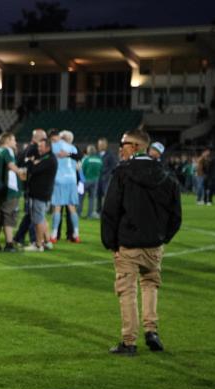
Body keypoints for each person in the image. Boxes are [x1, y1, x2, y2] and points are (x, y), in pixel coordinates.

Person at [101, 129, 182, 355]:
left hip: (128, 244)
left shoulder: (122, 173)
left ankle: (129, 341)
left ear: (135, 147)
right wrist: (162, 238)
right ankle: (151, 331)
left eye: (123, 144)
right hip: (154, 245)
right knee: (150, 285)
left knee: (127, 291)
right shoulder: (166, 176)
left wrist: (111, 243)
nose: (120, 148)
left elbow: (110, 211)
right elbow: (176, 216)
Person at [0, 132, 23, 251]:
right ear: (7, 140)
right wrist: (21, 172)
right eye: (13, 140)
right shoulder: (7, 151)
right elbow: (11, 165)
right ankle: (9, 244)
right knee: (9, 217)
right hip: (9, 189)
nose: (15, 142)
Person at [13, 129, 47, 246]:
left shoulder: (26, 149)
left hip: (27, 185)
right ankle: (34, 240)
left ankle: (18, 237)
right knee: (34, 214)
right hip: (33, 186)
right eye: (43, 138)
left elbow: (19, 164)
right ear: (37, 138)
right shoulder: (34, 150)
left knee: (30, 214)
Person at [25, 136, 57, 252]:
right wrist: (34, 163)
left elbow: (33, 170)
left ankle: (38, 244)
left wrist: (30, 162)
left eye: (41, 146)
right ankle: (47, 242)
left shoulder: (49, 159)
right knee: (41, 218)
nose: (38, 148)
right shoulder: (47, 158)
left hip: (40, 193)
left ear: (48, 147)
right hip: (43, 193)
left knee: (38, 220)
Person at [50, 130, 80, 243]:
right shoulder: (73, 148)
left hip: (59, 179)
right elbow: (78, 161)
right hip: (72, 180)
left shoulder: (54, 146)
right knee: (72, 208)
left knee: (57, 208)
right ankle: (76, 234)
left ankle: (54, 235)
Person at [96, 138, 117, 215]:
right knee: (98, 195)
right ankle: (98, 210)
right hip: (97, 178)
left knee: (106, 195)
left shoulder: (110, 155)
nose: (100, 146)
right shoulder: (96, 155)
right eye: (99, 144)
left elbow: (113, 166)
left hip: (106, 179)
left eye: (102, 144)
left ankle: (106, 211)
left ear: (106, 145)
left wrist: (107, 174)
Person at [81, 144, 103, 219]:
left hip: (85, 180)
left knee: (81, 197)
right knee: (92, 198)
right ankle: (90, 214)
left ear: (88, 151)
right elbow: (101, 170)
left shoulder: (86, 159)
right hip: (95, 181)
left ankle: (78, 212)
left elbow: (82, 170)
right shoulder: (99, 160)